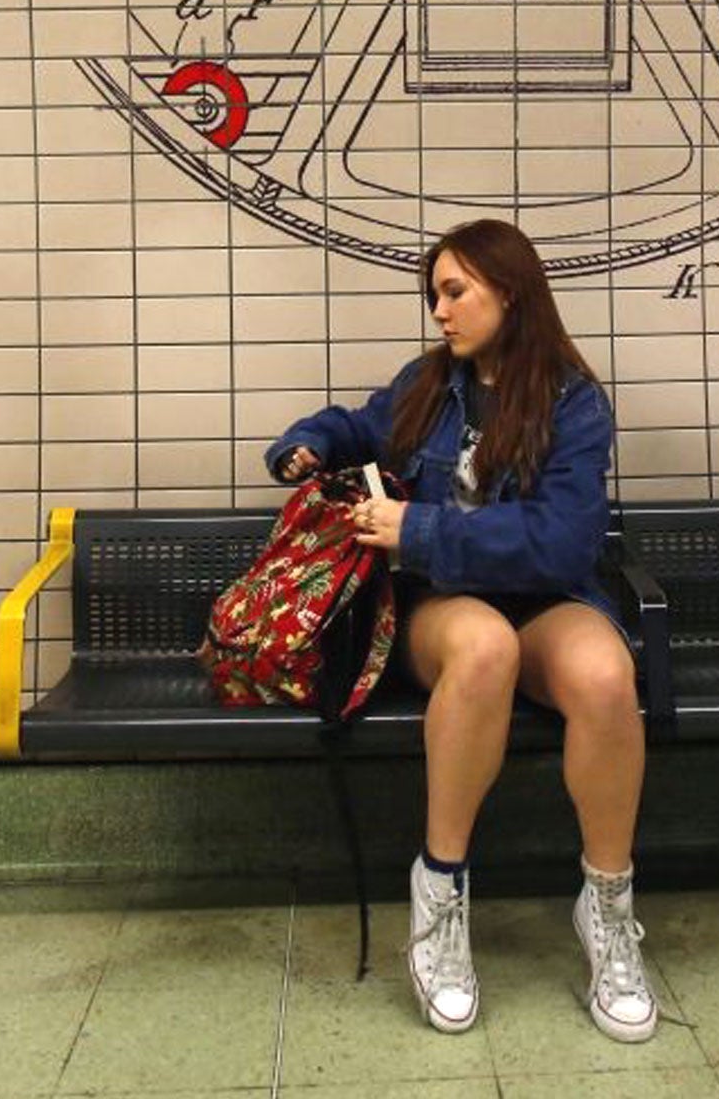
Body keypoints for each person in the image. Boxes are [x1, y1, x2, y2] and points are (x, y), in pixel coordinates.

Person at [265, 219, 654, 1042]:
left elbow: (565, 542)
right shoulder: (426, 384)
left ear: (509, 291)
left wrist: (420, 527)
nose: (439, 311)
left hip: (540, 593)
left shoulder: (572, 401)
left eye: (455, 291)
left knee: (606, 676)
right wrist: (306, 442)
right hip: (441, 605)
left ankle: (609, 909)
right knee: (485, 647)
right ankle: (440, 895)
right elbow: (357, 425)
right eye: (433, 293)